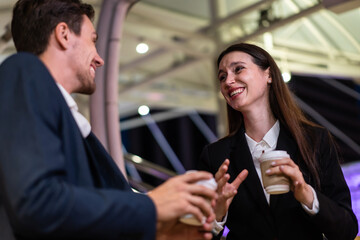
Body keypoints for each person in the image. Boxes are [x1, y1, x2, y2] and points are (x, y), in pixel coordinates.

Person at [0, 0, 217, 239]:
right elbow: (38, 204)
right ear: (63, 34)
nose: (99, 59)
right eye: (93, 40)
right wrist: (152, 206)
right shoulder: (23, 70)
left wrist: (165, 234)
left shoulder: (71, 123)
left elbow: (85, 217)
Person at [197, 43, 358, 240]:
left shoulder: (314, 140)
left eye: (238, 69)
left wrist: (307, 195)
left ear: (269, 75)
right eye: (222, 77)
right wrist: (217, 215)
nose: (228, 81)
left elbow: (347, 230)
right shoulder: (215, 156)